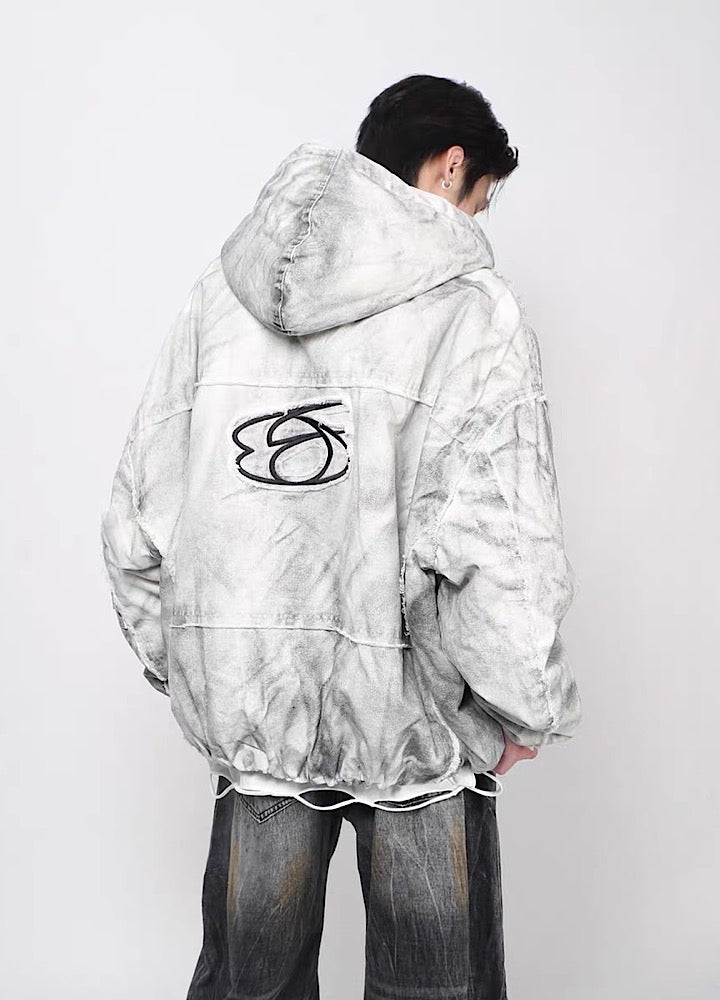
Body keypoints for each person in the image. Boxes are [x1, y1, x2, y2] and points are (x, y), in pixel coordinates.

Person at [101, 73, 582, 1000]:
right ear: (451, 168)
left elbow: (136, 519)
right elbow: (502, 540)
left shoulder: (218, 299)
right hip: (418, 728)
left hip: (255, 713)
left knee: (249, 987)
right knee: (435, 990)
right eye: (482, 198)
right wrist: (520, 705)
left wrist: (200, 668)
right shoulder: (472, 309)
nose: (476, 220)